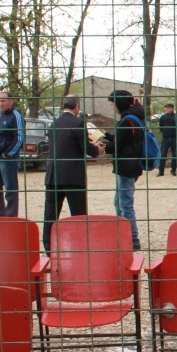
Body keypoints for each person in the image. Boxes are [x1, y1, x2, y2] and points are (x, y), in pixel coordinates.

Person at [42, 94, 104, 253]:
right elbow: (86, 149)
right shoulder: (78, 123)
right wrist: (97, 149)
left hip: (53, 174)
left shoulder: (53, 124)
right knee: (78, 214)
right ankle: (80, 246)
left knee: (50, 213)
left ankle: (49, 247)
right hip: (73, 175)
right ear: (77, 106)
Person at [102, 89, 145, 250]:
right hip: (129, 166)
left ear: (120, 103)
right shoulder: (133, 117)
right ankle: (123, 235)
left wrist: (102, 146)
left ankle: (132, 240)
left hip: (127, 167)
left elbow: (117, 145)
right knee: (119, 201)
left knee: (125, 204)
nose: (111, 107)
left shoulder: (127, 121)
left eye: (112, 104)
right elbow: (122, 139)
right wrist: (106, 135)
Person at [0, 90, 23, 217]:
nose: (0, 104)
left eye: (3, 101)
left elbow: (19, 138)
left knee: (10, 190)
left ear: (11, 101)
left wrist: (8, 153)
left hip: (8, 158)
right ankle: (0, 216)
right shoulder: (0, 116)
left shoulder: (16, 116)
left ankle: (11, 217)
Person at [156, 102, 177, 177]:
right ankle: (161, 171)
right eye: (166, 108)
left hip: (174, 138)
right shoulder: (163, 117)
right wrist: (164, 133)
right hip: (165, 138)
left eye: (169, 108)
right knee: (163, 154)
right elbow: (161, 126)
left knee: (174, 154)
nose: (167, 109)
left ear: (172, 108)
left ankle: (173, 170)